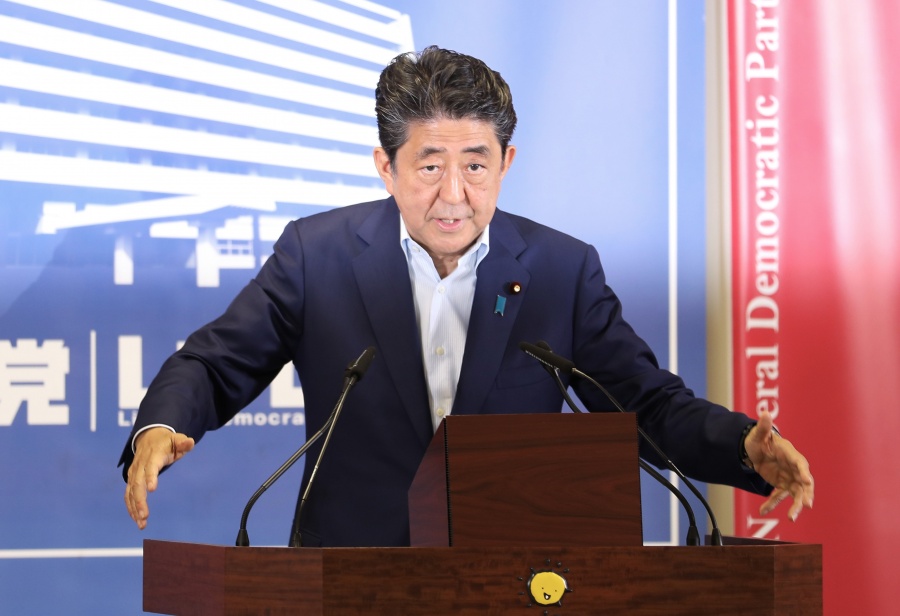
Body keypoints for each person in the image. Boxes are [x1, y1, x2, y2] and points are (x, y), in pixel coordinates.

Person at [121, 46, 813, 547]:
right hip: (350, 581)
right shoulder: (317, 256)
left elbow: (645, 403)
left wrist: (741, 447)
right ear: (385, 167)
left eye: (476, 165)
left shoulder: (561, 271)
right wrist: (158, 427)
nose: (453, 194)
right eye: (428, 166)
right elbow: (214, 363)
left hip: (519, 580)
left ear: (506, 164)